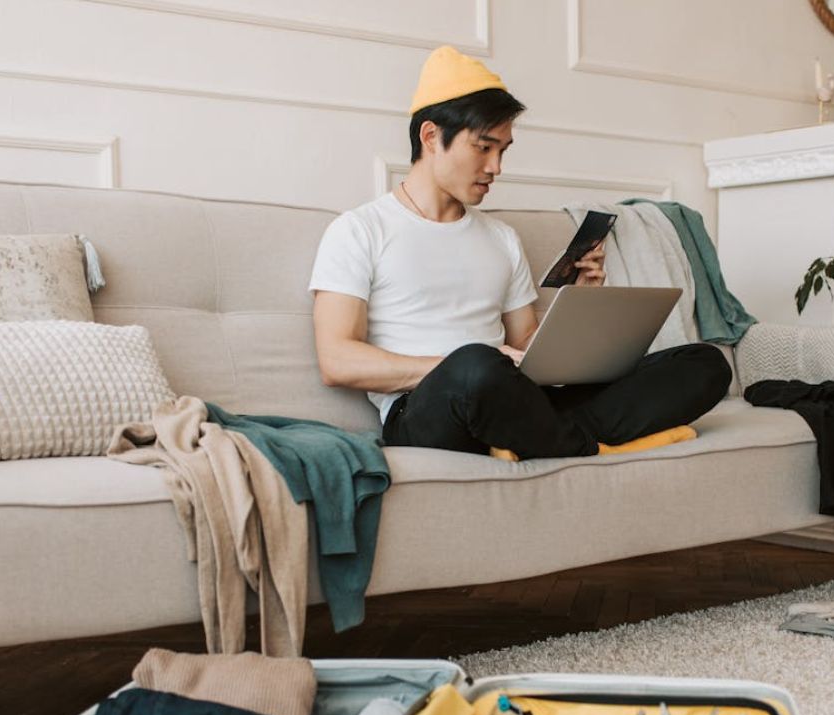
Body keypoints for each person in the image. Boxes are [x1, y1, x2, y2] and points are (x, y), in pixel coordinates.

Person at [309, 46, 730, 460]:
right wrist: (465, 364)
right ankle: (588, 445)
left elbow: (526, 343)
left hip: (517, 399)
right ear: (432, 137)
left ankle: (536, 440)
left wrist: (581, 302)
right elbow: (338, 360)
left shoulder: (501, 238)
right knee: (475, 366)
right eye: (483, 147)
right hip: (428, 409)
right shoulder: (359, 230)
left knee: (703, 365)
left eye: (503, 151)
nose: (496, 167)